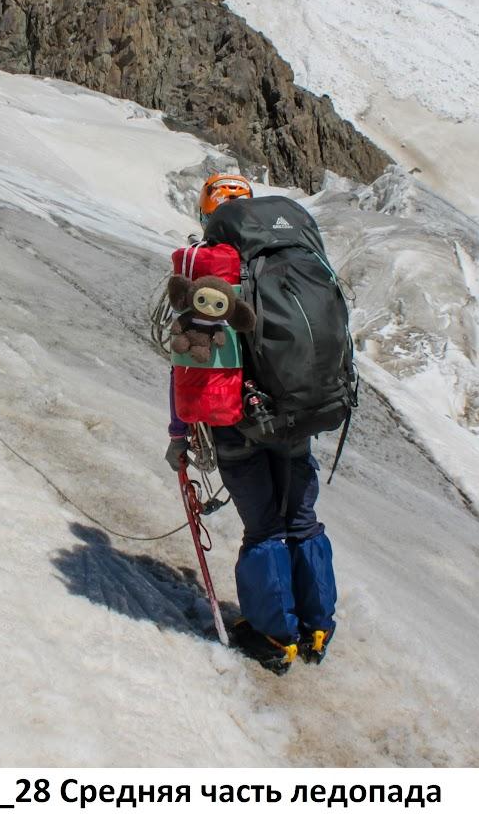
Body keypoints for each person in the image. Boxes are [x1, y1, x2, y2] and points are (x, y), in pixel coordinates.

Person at [165, 174, 342, 675]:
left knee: (264, 528)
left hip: (237, 422)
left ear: (208, 214)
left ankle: (274, 635)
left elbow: (188, 370)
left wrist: (180, 436)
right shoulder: (292, 251)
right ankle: (317, 627)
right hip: (297, 412)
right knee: (302, 520)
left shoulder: (208, 271)